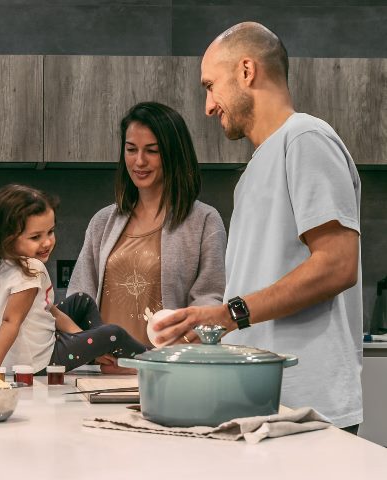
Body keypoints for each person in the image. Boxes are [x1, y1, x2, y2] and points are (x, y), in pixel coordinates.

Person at [152, 22, 363, 432]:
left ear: (247, 71)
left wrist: (231, 314)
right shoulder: (253, 171)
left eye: (210, 86)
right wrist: (211, 328)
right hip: (261, 403)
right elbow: (256, 294)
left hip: (306, 409)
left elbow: (338, 265)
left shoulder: (305, 138)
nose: (208, 106)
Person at [67, 102, 227, 359]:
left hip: (167, 371)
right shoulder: (103, 221)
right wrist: (89, 347)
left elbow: (209, 302)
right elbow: (78, 297)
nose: (139, 161)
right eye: (131, 149)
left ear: (174, 154)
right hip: (101, 372)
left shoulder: (204, 221)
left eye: (152, 151)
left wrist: (172, 352)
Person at [0, 184, 147, 377]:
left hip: (26, 357)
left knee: (81, 301)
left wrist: (88, 343)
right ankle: (153, 361)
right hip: (39, 362)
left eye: (50, 232)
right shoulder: (31, 268)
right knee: (113, 333)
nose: (47, 242)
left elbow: (50, 311)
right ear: (8, 238)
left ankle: (105, 357)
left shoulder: (4, 263)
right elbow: (11, 321)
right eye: (36, 236)